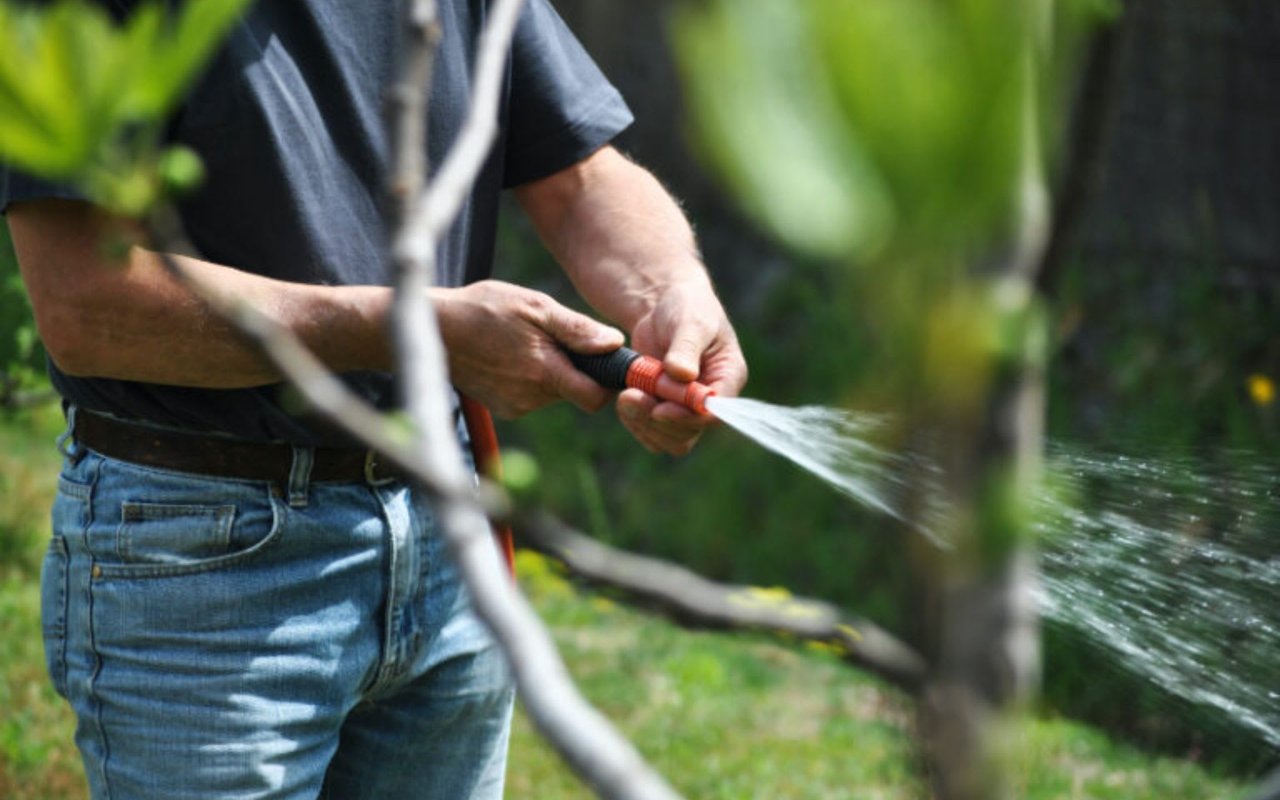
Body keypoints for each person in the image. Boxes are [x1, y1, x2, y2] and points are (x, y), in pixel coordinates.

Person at [1, 1, 746, 798]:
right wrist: (412, 329)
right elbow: (85, 306)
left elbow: (580, 178)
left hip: (444, 520)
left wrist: (670, 288)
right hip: (203, 561)